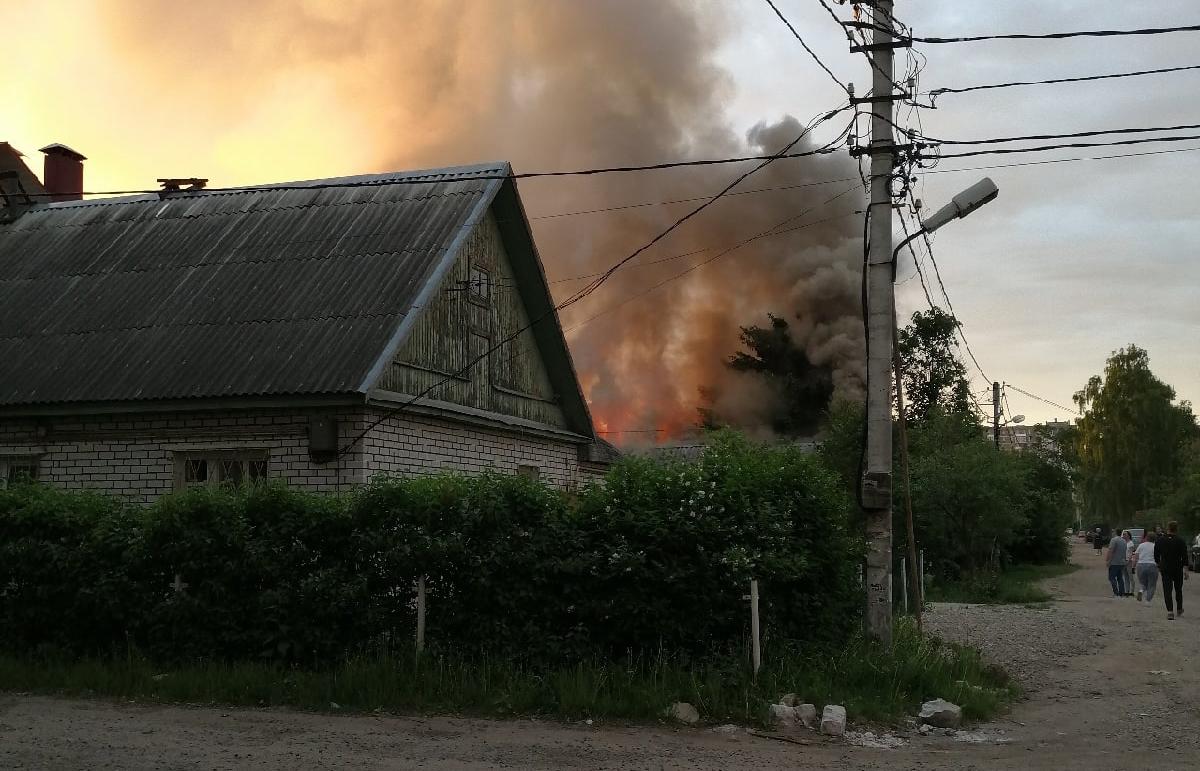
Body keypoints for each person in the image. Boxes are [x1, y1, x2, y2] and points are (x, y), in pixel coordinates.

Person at [1154, 521, 1189, 620]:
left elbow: (1156, 554)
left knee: (1167, 589)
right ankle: (1179, 608)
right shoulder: (1181, 541)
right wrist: (1186, 570)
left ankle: (1170, 611)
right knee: (1178, 589)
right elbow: (1185, 556)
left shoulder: (1160, 540)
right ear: (1177, 529)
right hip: (1177, 567)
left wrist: (1158, 564)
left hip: (1165, 567)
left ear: (1167, 528)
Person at [1132, 531, 1158, 603]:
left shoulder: (1141, 545)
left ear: (1146, 538)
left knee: (1143, 583)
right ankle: (1148, 600)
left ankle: (1141, 590)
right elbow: (1159, 558)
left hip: (1141, 565)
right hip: (1152, 565)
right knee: (1152, 584)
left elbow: (1136, 557)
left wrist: (1133, 566)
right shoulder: (1156, 546)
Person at [1105, 529, 1128, 597]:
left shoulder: (1114, 540)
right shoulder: (1124, 541)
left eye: (1113, 532)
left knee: (1112, 577)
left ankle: (1116, 592)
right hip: (1121, 562)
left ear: (1115, 532)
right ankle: (1122, 592)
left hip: (1114, 562)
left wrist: (1108, 560)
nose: (1112, 533)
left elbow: (1111, 550)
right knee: (1120, 578)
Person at [1122, 530, 1135, 596]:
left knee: (1130, 576)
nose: (1124, 535)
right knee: (1125, 577)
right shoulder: (1123, 542)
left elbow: (1131, 553)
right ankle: (1126, 591)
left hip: (1128, 561)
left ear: (1129, 535)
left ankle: (1132, 591)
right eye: (1123, 534)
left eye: (1125, 534)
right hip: (1123, 560)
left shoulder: (1131, 543)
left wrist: (1129, 560)